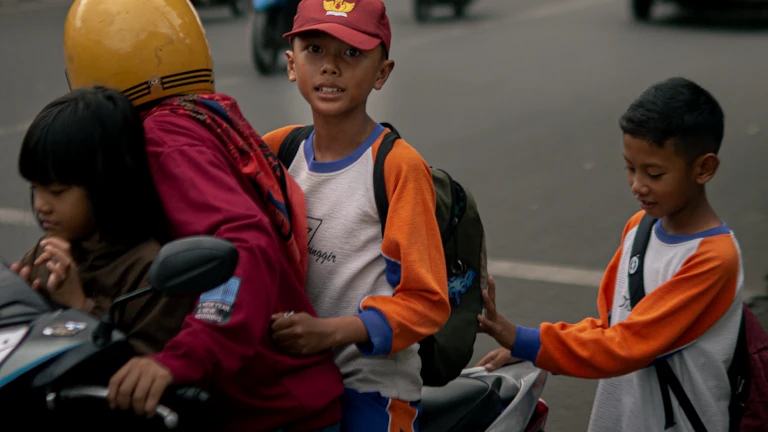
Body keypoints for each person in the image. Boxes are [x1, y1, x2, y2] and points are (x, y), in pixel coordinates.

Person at [61, 1, 343, 430]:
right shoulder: (206, 115)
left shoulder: (162, 139)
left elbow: (241, 246)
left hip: (268, 407)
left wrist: (184, 355)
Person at [477, 77, 744, 432]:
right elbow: (611, 327)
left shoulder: (714, 258)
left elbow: (626, 345)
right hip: (624, 415)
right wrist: (538, 347)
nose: (638, 185)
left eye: (655, 173)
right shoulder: (640, 227)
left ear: (704, 169)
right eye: (630, 168)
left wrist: (524, 338)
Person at [262, 1, 450, 430]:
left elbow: (426, 303)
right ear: (291, 65)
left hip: (373, 389)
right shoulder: (275, 150)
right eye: (314, 50)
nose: (330, 67)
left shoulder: (397, 166)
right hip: (293, 377)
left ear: (382, 73)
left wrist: (331, 332)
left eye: (351, 53)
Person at [10, 87, 194, 355]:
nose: (40, 206)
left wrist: (80, 307)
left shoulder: (150, 272)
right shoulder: (48, 254)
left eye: (57, 192)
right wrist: (20, 302)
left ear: (105, 186)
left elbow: (136, 372)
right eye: (35, 189)